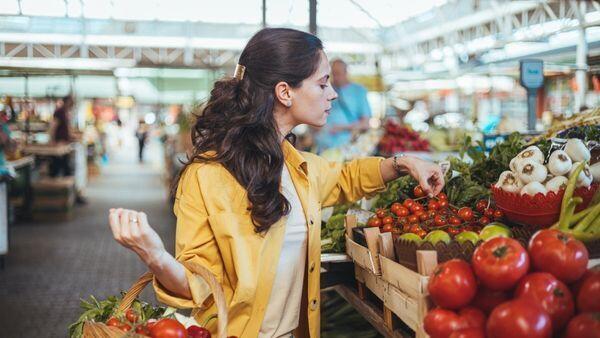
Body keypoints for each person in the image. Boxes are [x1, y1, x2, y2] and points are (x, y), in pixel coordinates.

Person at [108, 28, 444, 338]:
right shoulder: (207, 176)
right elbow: (198, 282)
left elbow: (346, 177)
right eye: (322, 83)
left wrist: (404, 162)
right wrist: (154, 255)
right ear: (285, 92)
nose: (333, 95)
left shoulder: (297, 165)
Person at [314, 59, 371, 153]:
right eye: (333, 74)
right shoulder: (325, 89)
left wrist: (341, 127)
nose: (335, 77)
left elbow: (365, 124)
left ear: (346, 72)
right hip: (324, 146)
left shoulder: (358, 91)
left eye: (338, 73)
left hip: (348, 148)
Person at [49, 95, 74, 177]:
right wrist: (52, 140)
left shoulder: (66, 112)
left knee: (64, 162)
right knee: (58, 162)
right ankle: (55, 181)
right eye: (71, 101)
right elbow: (53, 126)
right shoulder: (59, 111)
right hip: (59, 141)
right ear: (67, 102)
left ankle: (64, 181)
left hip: (64, 142)